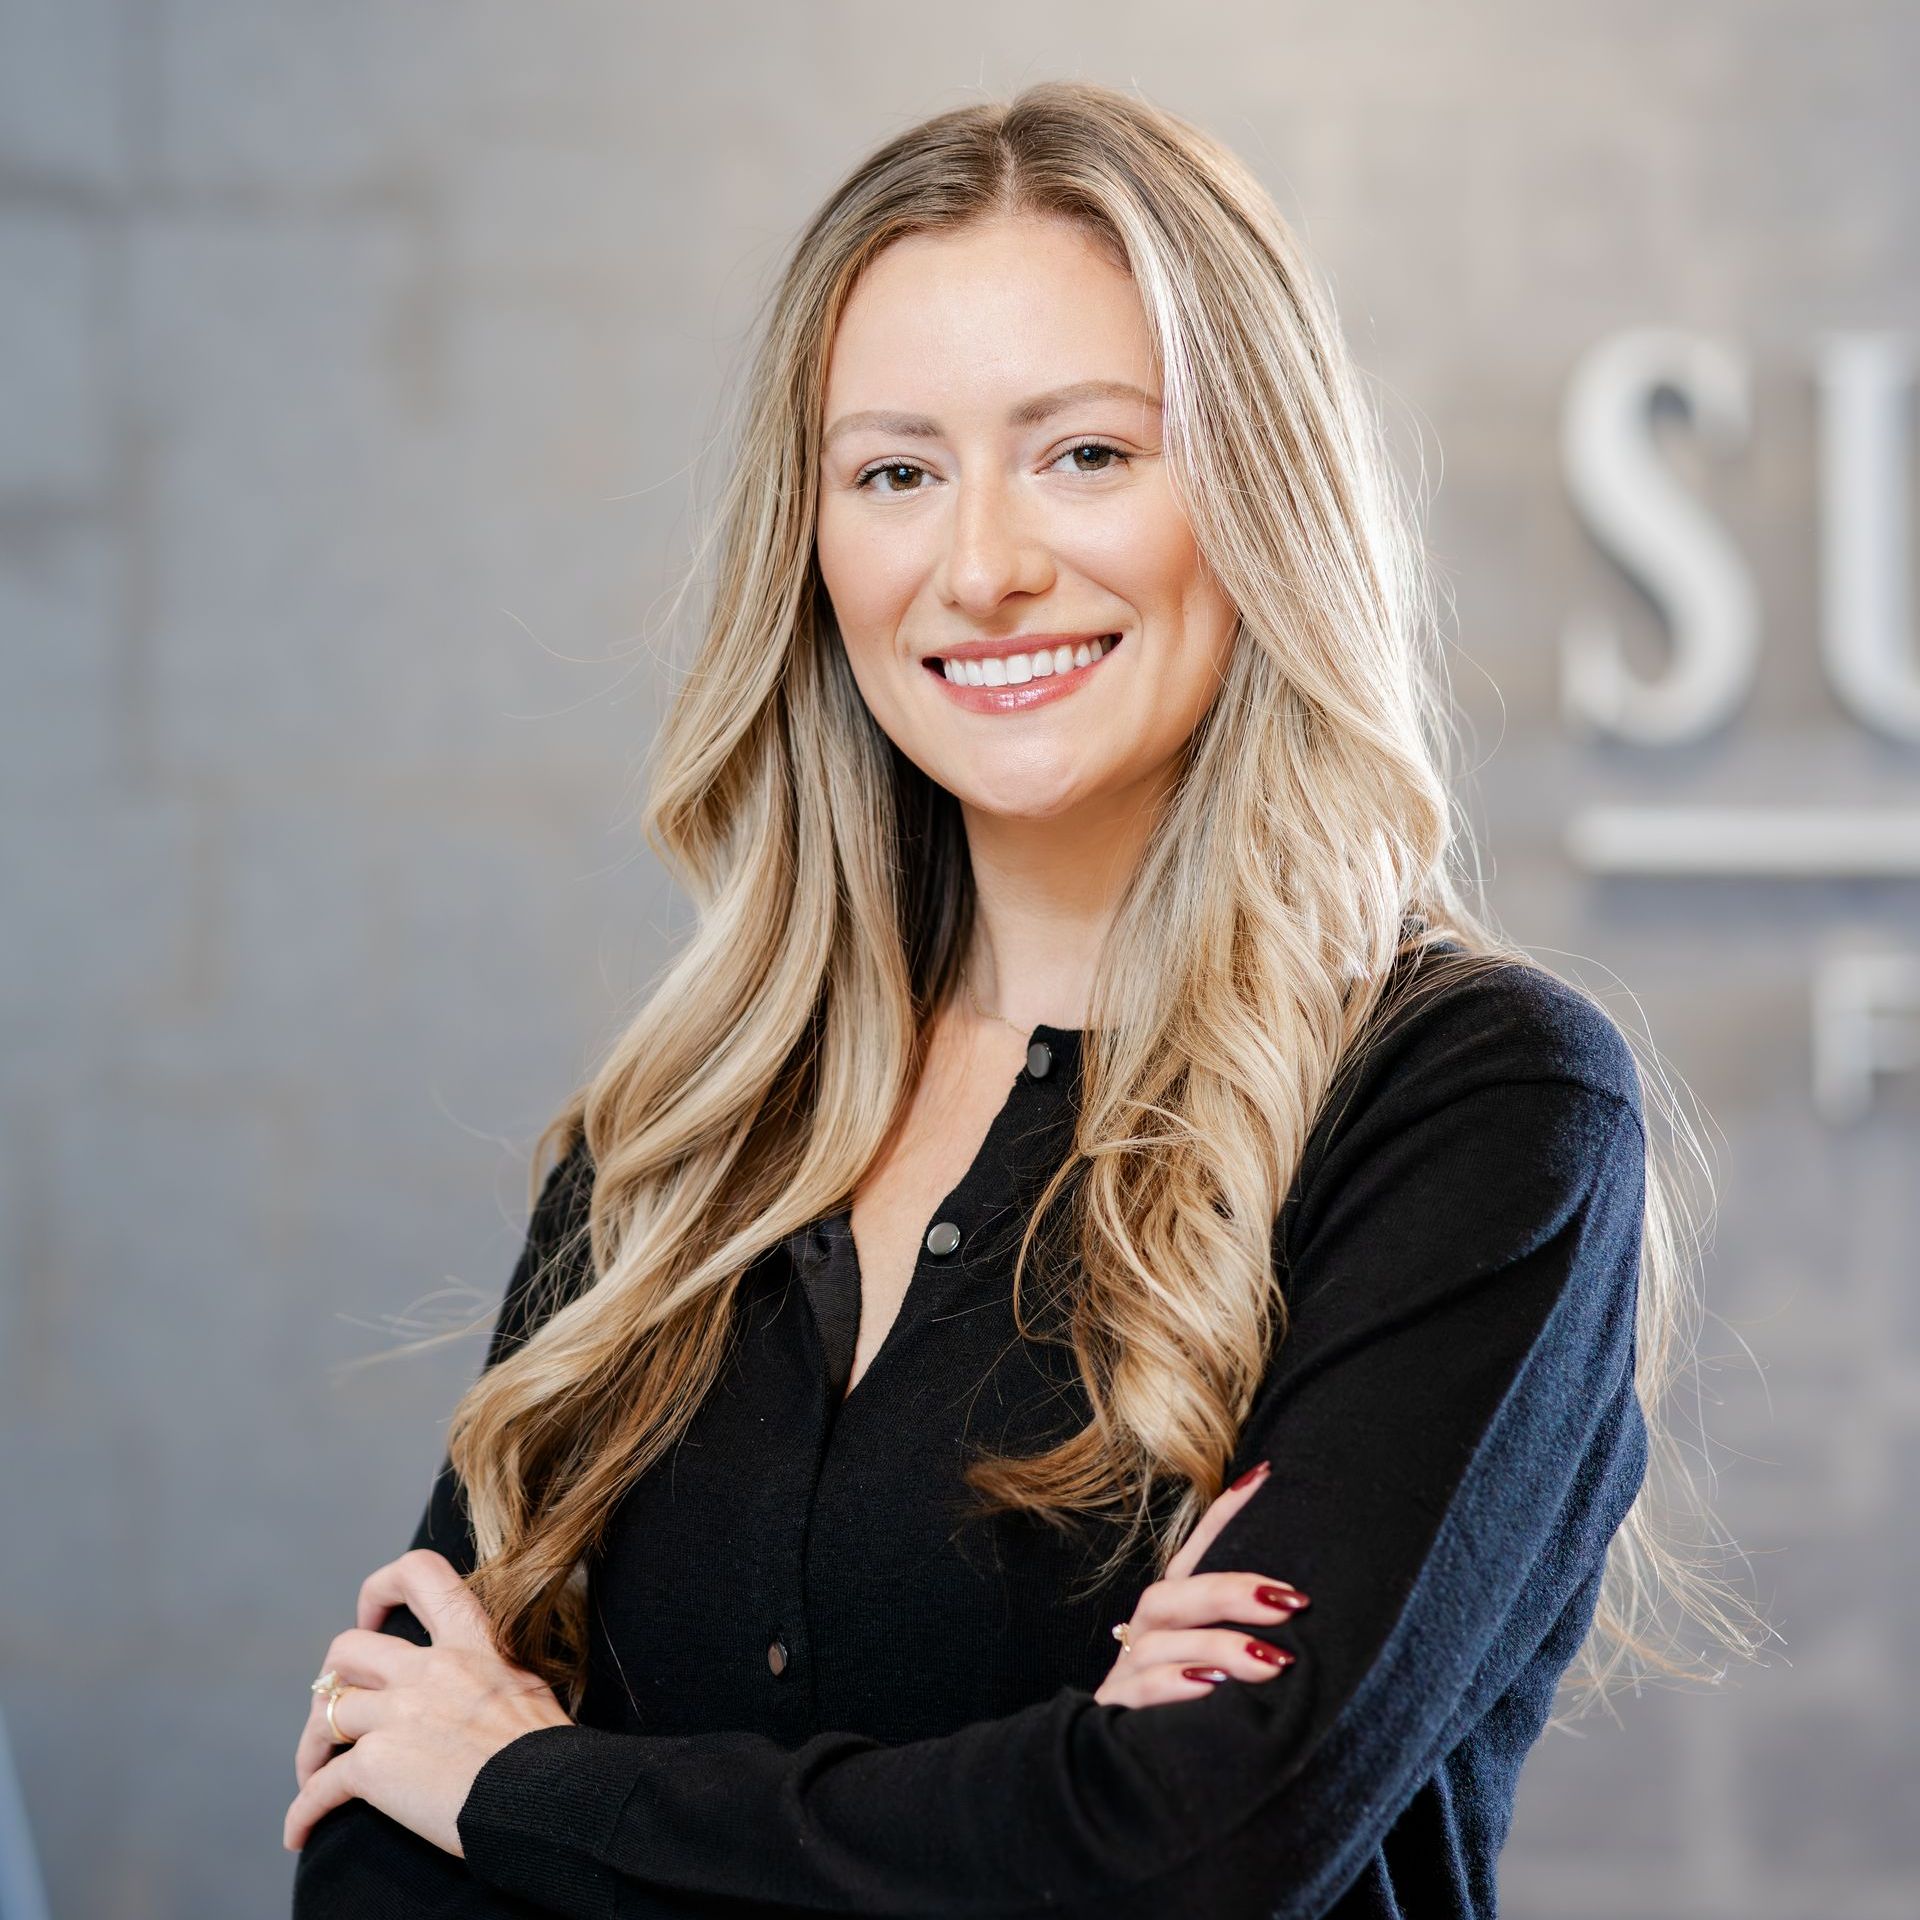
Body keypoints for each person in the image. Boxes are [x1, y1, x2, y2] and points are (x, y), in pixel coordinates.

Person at [285, 80, 1762, 1918]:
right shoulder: (683, 1147)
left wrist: (529, 1786)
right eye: (895, 471)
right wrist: (1050, 1795)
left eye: (1086, 453)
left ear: (1255, 490)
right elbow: (370, 1852)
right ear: (813, 549)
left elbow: (1196, 1857)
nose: (981, 567)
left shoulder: (1473, 1106)